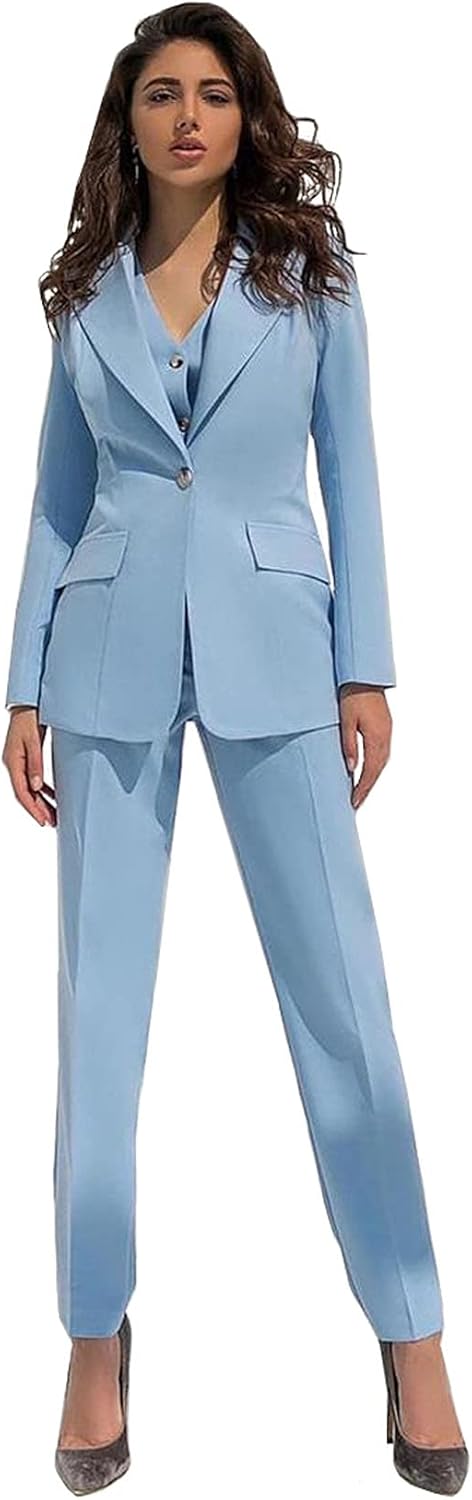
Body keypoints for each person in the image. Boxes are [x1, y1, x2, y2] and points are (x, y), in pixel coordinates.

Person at [2, 5, 468, 1495]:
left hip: (281, 649)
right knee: (97, 1021)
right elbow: (58, 498)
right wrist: (22, 683)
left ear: (247, 114)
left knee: (346, 1010)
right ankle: (94, 1334)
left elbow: (354, 470)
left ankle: (412, 1333)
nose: (188, 114)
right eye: (161, 93)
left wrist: (367, 663)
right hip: (105, 662)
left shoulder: (312, 279)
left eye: (213, 91)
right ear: (128, 121)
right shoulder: (84, 295)